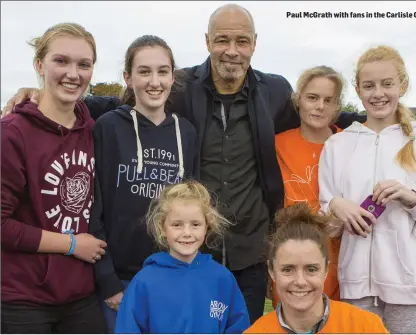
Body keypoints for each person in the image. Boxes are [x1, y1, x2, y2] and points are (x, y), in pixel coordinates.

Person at [0, 4, 367, 323]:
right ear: (207, 41)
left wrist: (378, 119)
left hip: (249, 252)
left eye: (242, 41)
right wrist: (40, 95)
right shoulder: (183, 86)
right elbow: (126, 103)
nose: (232, 51)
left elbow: (318, 114)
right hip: (190, 252)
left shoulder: (272, 91)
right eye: (222, 40)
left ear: (255, 43)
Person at [318, 45, 416, 333]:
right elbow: (328, 225)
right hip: (356, 287)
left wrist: (412, 198)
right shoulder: (337, 145)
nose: (377, 93)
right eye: (368, 86)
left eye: (387, 84)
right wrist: (334, 206)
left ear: (402, 85)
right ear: (358, 89)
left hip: (413, 287)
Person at [1, 23, 107, 333]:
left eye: (83, 64)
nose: (73, 74)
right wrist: (72, 244)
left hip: (81, 294)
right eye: (61, 61)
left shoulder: (93, 128)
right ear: (39, 64)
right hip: (23, 299)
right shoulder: (13, 133)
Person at [88, 35, 198, 333]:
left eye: (163, 71)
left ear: (172, 76)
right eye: (144, 71)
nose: (154, 81)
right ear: (128, 77)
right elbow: (93, 209)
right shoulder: (108, 127)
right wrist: (107, 279)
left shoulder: (186, 133)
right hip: (119, 280)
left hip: (170, 275)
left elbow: (193, 210)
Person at [115, 180, 250, 333]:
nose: (187, 233)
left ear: (207, 227)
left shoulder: (223, 279)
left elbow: (239, 327)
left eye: (195, 224)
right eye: (177, 225)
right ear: (162, 228)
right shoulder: (144, 281)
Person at [244, 203, 389, 333]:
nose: (300, 281)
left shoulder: (365, 327)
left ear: (326, 270)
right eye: (288, 269)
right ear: (271, 271)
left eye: (311, 269)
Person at [272, 66, 344, 308]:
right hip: (293, 261)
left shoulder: (350, 143)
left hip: (342, 261)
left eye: (328, 100)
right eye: (312, 97)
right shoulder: (277, 144)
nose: (320, 106)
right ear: (298, 99)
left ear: (337, 106)